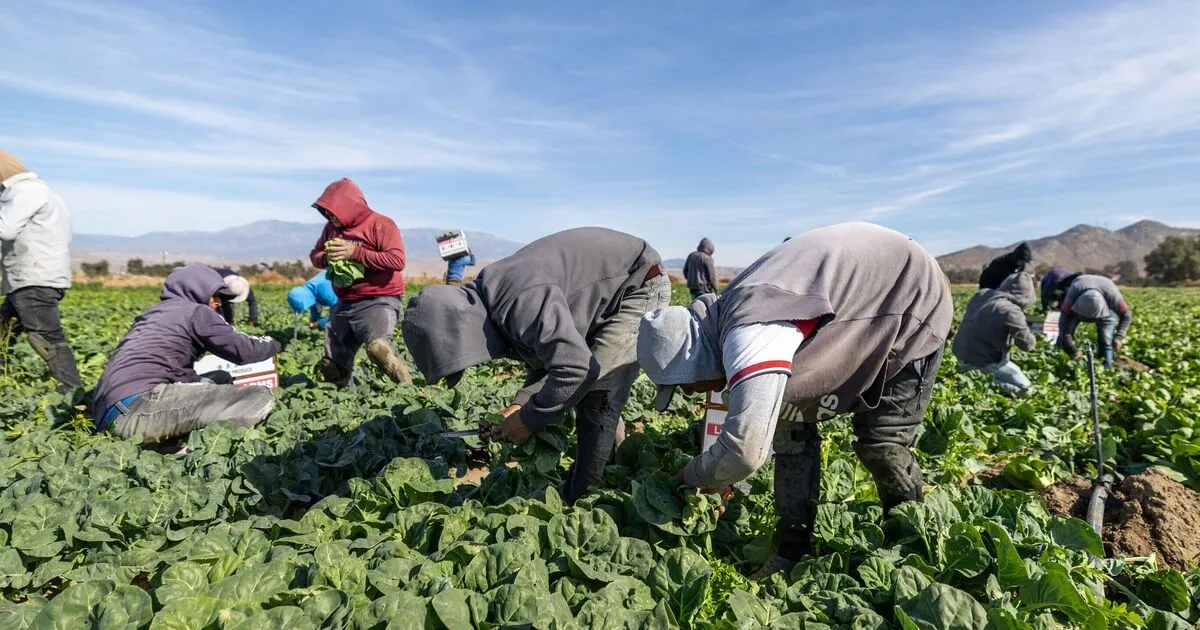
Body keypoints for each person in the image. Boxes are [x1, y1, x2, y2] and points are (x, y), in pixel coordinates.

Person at [635, 222, 952, 578]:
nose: (689, 393)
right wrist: (723, 475)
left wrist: (691, 477)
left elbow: (745, 450)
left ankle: (911, 552)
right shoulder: (723, 319)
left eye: (684, 385)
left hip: (908, 296)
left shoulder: (751, 330)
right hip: (856, 305)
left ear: (695, 361)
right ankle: (792, 552)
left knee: (882, 443)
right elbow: (747, 432)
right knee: (790, 429)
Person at [402, 227, 671, 504]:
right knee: (589, 389)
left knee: (597, 395)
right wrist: (520, 405)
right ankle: (611, 466)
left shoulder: (519, 299)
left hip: (636, 284)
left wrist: (529, 420)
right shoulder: (495, 300)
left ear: (462, 334)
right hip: (606, 295)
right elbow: (551, 360)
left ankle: (585, 500)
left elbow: (577, 370)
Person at [91, 264, 281, 443]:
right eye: (215, 295)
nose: (218, 303)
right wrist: (274, 342)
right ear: (197, 290)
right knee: (259, 396)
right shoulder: (196, 311)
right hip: (138, 410)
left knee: (219, 377)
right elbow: (245, 350)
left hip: (106, 415)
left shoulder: (153, 314)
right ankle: (197, 449)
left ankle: (168, 443)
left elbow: (173, 370)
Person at [309, 177, 411, 385]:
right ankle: (341, 404)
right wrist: (327, 257)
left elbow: (397, 260)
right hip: (345, 301)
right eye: (326, 212)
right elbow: (315, 256)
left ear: (348, 207)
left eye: (332, 211)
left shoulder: (380, 224)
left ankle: (410, 394)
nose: (329, 216)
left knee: (378, 349)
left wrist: (355, 252)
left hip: (379, 298)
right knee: (332, 366)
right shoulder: (331, 228)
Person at [0, 150, 82, 395]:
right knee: (3, 331)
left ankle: (74, 399)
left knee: (46, 338)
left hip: (34, 279)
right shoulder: (40, 191)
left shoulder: (25, 191)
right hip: (34, 277)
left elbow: (5, 229)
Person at [953, 272, 1037, 395]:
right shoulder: (1011, 310)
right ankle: (979, 381)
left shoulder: (982, 295)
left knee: (1015, 370)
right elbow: (1027, 345)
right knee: (1026, 389)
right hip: (984, 360)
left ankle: (970, 374)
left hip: (960, 355)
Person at [1057, 274, 1132, 368]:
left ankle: (1106, 369)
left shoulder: (1113, 298)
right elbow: (1064, 327)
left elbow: (1126, 315)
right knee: (1063, 339)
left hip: (1105, 300)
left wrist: (1119, 337)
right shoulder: (1071, 299)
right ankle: (1060, 364)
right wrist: (1072, 350)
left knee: (1106, 341)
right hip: (1079, 293)